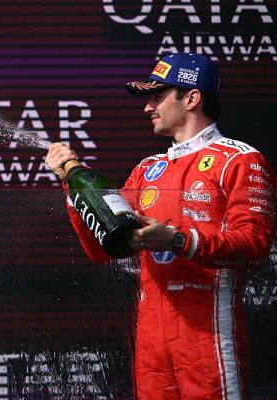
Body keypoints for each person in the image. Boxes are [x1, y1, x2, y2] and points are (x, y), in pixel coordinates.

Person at [45, 53, 276, 399]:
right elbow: (103, 248)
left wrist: (177, 240)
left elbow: (255, 246)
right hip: (151, 338)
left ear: (192, 98)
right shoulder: (146, 169)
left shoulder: (240, 160)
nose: (147, 107)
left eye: (157, 96)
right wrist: (73, 183)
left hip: (209, 334)